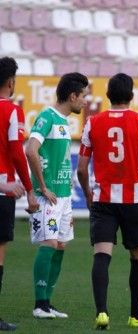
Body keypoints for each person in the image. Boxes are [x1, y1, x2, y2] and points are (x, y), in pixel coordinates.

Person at [77, 73, 138, 329]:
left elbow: (81, 168)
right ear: (132, 96)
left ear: (108, 95)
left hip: (103, 200)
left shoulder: (92, 122)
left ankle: (102, 312)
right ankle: (136, 316)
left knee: (101, 255)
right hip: (134, 199)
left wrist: (88, 191)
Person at [26, 72, 89, 319]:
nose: (85, 101)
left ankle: (48, 303)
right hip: (48, 196)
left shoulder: (64, 121)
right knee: (49, 243)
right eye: (83, 95)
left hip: (64, 196)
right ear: (72, 95)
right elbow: (31, 150)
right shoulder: (47, 117)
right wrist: (42, 186)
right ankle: (39, 304)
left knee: (61, 246)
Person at [0, 56, 39, 331]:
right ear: (12, 82)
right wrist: (29, 189)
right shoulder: (12, 112)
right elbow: (16, 151)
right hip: (3, 191)